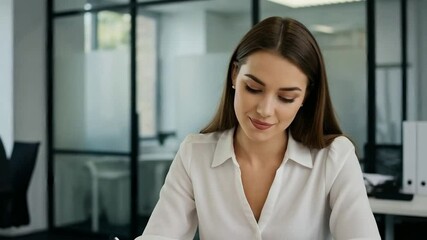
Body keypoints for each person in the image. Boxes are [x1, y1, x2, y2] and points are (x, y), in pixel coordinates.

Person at [136, 17, 380, 240]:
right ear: (234, 75)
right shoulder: (195, 154)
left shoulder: (334, 158)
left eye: (286, 98)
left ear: (306, 96)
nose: (265, 109)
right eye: (253, 88)